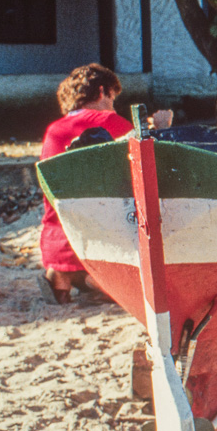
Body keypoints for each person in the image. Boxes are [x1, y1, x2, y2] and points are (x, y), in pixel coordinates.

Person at [37, 63, 168, 303]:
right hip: (96, 245)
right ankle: (90, 280)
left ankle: (61, 277)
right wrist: (161, 129)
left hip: (56, 241)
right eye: (112, 98)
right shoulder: (109, 121)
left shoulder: (53, 130)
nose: (113, 106)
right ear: (101, 92)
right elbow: (150, 163)